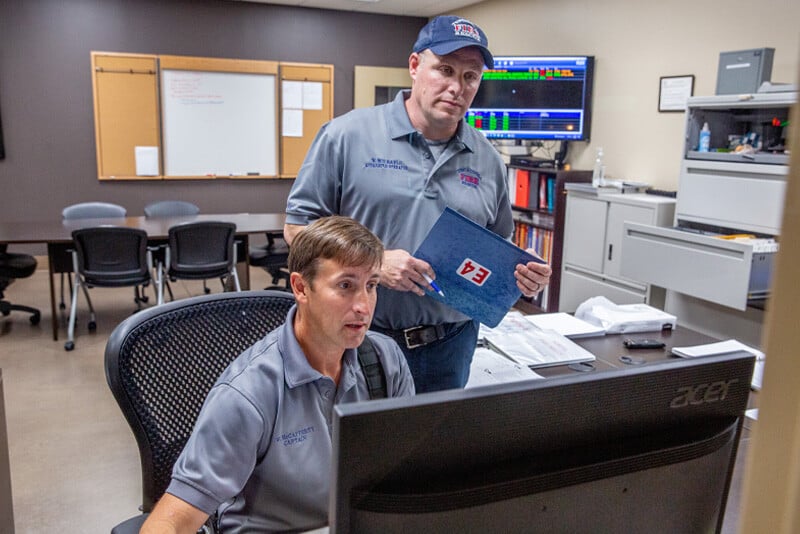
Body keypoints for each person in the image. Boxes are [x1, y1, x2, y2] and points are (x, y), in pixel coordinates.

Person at [284, 15, 551, 393]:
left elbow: (495, 252)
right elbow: (297, 228)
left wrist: (521, 277)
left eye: (470, 76)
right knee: (353, 449)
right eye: (444, 69)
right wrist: (374, 263)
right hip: (358, 337)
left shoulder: (487, 159)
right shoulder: (346, 135)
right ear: (414, 66)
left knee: (432, 450)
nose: (457, 87)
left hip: (450, 345)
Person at [141, 216, 415, 533]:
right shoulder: (249, 393)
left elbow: (404, 475)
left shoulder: (385, 360)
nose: (364, 306)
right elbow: (169, 523)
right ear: (300, 287)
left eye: (371, 286)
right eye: (345, 286)